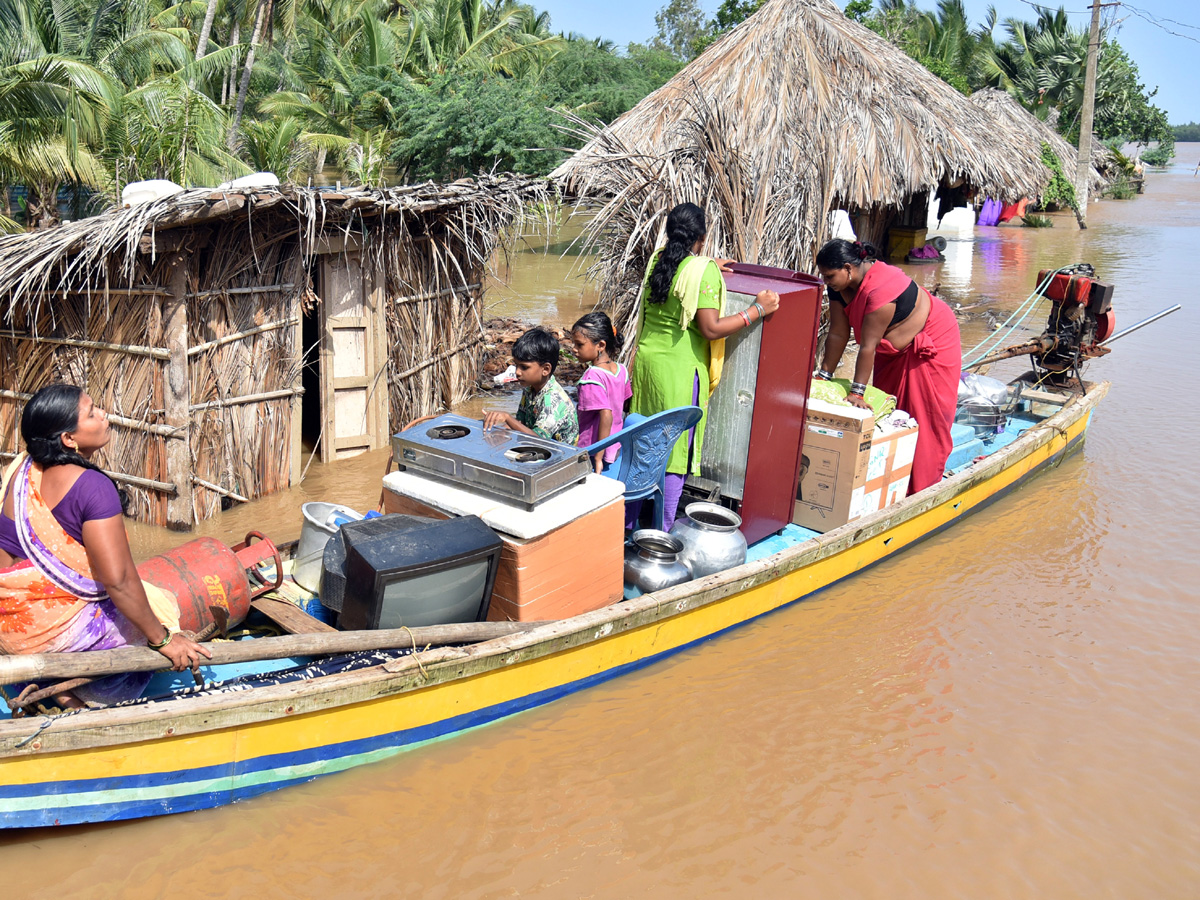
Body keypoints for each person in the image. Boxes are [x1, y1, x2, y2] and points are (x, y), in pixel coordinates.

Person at [0, 384, 210, 708]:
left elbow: (8, 559)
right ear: (69, 439)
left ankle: (44, 668)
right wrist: (165, 640)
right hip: (51, 634)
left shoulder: (22, 472)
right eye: (92, 413)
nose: (104, 416)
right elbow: (119, 581)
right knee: (159, 613)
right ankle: (71, 690)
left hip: (9, 623)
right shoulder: (93, 489)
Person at [631, 202, 780, 531]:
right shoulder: (702, 272)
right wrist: (756, 309)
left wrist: (707, 262)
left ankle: (629, 524)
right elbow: (710, 328)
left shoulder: (657, 261)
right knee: (675, 450)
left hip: (647, 365)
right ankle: (662, 531)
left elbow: (681, 269)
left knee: (647, 442)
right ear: (702, 237)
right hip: (680, 372)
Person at [814, 238, 962, 494]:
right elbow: (838, 334)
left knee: (923, 418)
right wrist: (824, 376)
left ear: (849, 268)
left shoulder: (880, 289)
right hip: (890, 351)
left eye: (829, 276)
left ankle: (921, 488)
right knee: (889, 413)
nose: (826, 281)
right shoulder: (838, 286)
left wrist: (857, 392)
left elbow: (867, 347)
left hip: (929, 344)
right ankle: (890, 481)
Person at [484, 327, 579, 445]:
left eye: (524, 367)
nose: (517, 372)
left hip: (560, 456)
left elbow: (538, 439)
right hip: (538, 448)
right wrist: (499, 429)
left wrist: (508, 418)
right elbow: (521, 421)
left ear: (545, 369)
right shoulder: (530, 388)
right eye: (516, 365)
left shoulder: (553, 401)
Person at [571, 312, 632, 474]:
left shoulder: (592, 377)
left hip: (594, 449)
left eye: (579, 345)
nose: (574, 349)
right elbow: (625, 404)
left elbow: (607, 414)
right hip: (615, 446)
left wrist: (598, 456)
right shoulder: (622, 371)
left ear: (601, 345)